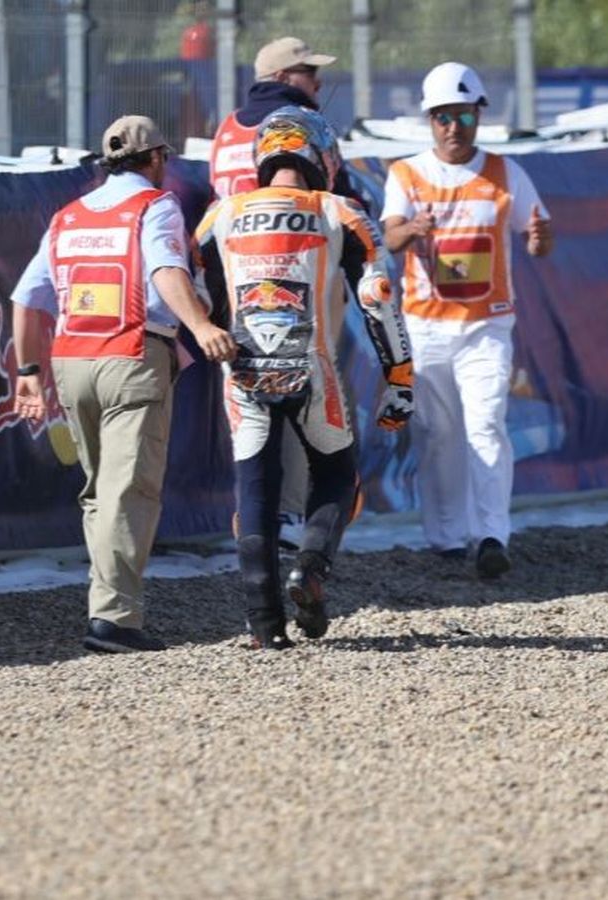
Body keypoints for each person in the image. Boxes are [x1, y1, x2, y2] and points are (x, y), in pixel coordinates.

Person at [10, 115, 236, 653]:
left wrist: (26, 373)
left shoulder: (67, 216)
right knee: (128, 491)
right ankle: (115, 619)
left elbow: (26, 297)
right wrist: (201, 325)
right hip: (133, 356)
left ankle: (106, 604)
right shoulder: (155, 206)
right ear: (156, 158)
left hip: (71, 362)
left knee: (99, 492)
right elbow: (164, 269)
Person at [195, 106, 414, 649]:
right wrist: (400, 378)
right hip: (311, 366)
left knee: (256, 492)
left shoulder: (218, 215)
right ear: (323, 155)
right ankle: (311, 567)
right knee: (339, 476)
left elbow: (201, 297)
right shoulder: (339, 209)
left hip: (242, 368)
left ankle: (263, 628)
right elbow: (377, 297)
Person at [381, 62, 552, 579]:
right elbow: (388, 238)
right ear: (429, 121)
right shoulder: (407, 174)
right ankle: (447, 537)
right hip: (428, 326)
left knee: (486, 425)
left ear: (480, 115)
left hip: (486, 325)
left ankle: (492, 536)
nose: (454, 127)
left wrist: (540, 241)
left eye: (463, 115)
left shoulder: (505, 173)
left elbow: (539, 233)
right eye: (442, 118)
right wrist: (414, 226)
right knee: (438, 434)